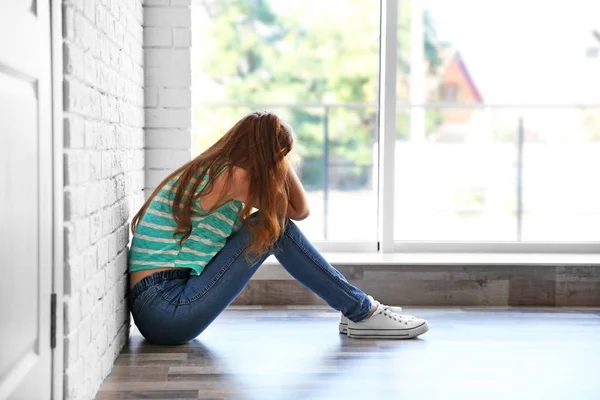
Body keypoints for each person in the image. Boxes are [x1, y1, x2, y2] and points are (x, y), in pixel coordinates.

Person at [128, 111, 429, 345]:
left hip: (159, 306)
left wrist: (274, 152)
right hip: (165, 309)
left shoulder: (217, 170)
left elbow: (295, 211)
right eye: (277, 156)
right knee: (274, 227)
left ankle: (359, 311)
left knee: (270, 224)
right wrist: (277, 156)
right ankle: (362, 312)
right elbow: (299, 211)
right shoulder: (234, 177)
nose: (280, 163)